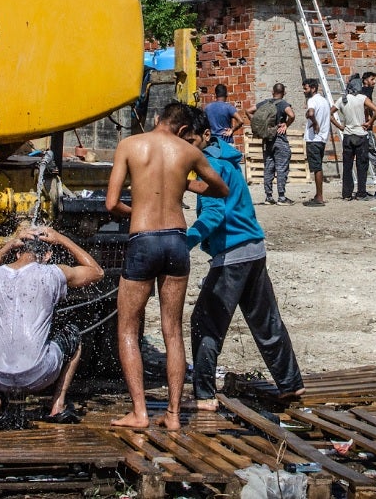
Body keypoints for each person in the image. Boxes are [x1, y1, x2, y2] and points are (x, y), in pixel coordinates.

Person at [105, 102, 229, 430]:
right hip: (176, 239)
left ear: (158, 119)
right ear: (184, 130)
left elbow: (111, 202)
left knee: (129, 328)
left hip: (143, 240)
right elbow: (221, 188)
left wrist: (140, 212)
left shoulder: (130, 145)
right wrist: (187, 185)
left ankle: (140, 412)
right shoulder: (188, 152)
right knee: (172, 329)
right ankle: (173, 415)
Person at [183, 110, 304, 410]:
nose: (186, 147)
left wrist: (183, 242)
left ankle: (204, 395)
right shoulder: (228, 160)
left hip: (232, 257)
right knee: (266, 322)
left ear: (206, 136)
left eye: (190, 141)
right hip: (254, 249)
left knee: (205, 324)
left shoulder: (209, 165)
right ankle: (291, 384)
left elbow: (212, 214)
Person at [0, 224, 104, 429]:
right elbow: (97, 272)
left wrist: (8, 245)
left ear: (18, 251)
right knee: (72, 335)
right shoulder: (52, 274)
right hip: (38, 374)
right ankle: (58, 404)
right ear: (47, 255)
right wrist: (61, 237)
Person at [246, 83, 296, 205]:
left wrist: (259, 125)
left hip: (267, 139)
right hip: (279, 138)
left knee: (268, 167)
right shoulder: (283, 104)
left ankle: (268, 197)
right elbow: (292, 115)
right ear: (284, 93)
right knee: (281, 167)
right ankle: (282, 197)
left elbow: (248, 111)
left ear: (272, 91)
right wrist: (286, 125)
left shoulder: (265, 103)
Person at [332, 77, 376, 200]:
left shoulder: (342, 99)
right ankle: (361, 193)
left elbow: (330, 113)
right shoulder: (362, 98)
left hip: (348, 135)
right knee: (361, 165)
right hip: (361, 135)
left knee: (347, 166)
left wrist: (340, 126)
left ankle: (347, 193)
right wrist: (369, 122)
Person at [302, 78, 331, 205]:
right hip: (322, 138)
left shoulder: (312, 100)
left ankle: (319, 197)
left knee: (316, 167)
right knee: (318, 165)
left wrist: (314, 123)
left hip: (314, 139)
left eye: (306, 88)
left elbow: (312, 112)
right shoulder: (324, 101)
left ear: (313, 88)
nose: (304, 91)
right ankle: (317, 194)